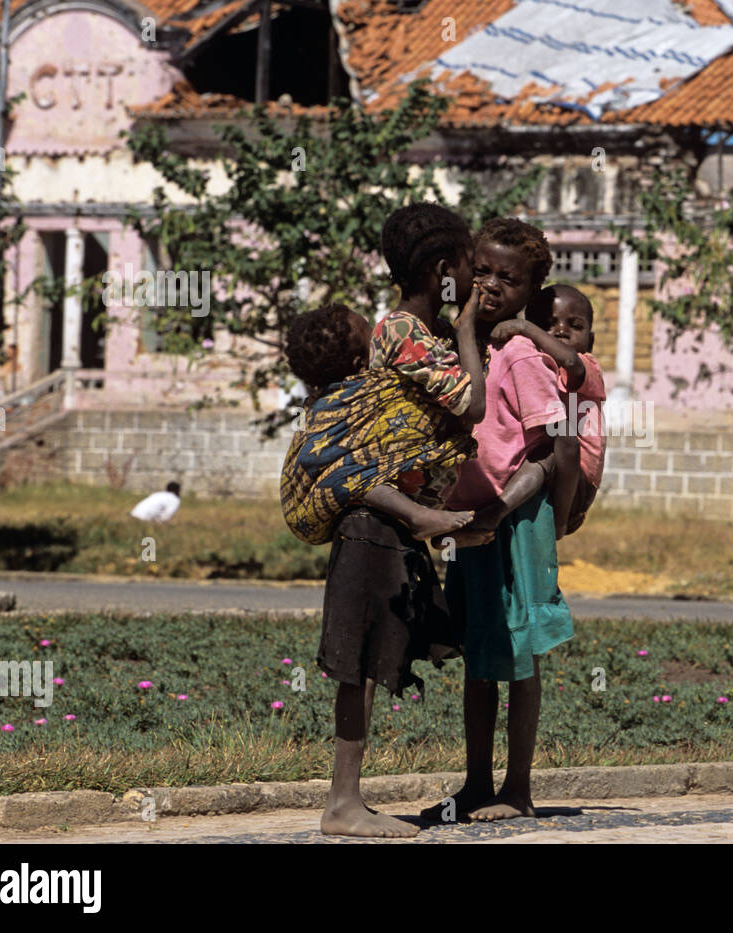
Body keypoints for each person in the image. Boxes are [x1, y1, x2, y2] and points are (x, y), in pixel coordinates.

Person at [280, 203, 487, 838]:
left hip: (383, 524)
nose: (475, 282)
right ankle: (342, 803)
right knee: (360, 664)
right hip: (368, 524)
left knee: (374, 660)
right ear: (443, 269)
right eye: (469, 270)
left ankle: (350, 799)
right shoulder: (403, 331)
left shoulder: (421, 334)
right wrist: (472, 325)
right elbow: (472, 402)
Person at [420, 217, 573, 824]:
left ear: (531, 290)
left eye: (507, 279)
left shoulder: (521, 353)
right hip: (471, 523)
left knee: (520, 653)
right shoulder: (465, 348)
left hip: (514, 521)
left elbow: (546, 450)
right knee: (481, 653)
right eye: (480, 271)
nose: (488, 285)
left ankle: (518, 788)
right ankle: (476, 782)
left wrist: (499, 510)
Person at [486, 283, 606, 538]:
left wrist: (525, 328)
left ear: (591, 340)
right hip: (555, 474)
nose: (561, 332)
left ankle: (552, 523)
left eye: (575, 326)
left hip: (577, 481)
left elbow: (571, 362)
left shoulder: (588, 367)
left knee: (553, 449)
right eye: (549, 324)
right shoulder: (534, 365)